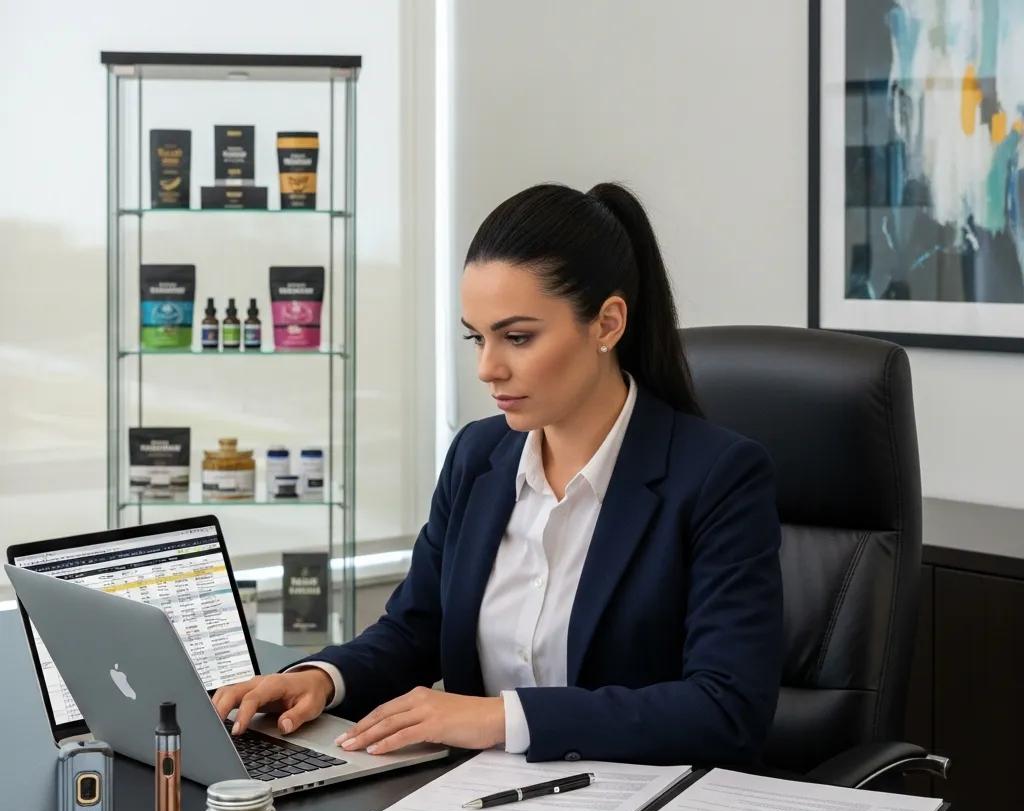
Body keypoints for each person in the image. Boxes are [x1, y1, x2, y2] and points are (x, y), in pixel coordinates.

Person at [213, 182, 783, 765]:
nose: (488, 368)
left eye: (517, 337)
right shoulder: (478, 457)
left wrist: (500, 718)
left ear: (608, 324)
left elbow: (725, 708)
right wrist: (322, 679)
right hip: (474, 804)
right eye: (476, 338)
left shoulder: (718, 477)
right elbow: (416, 629)